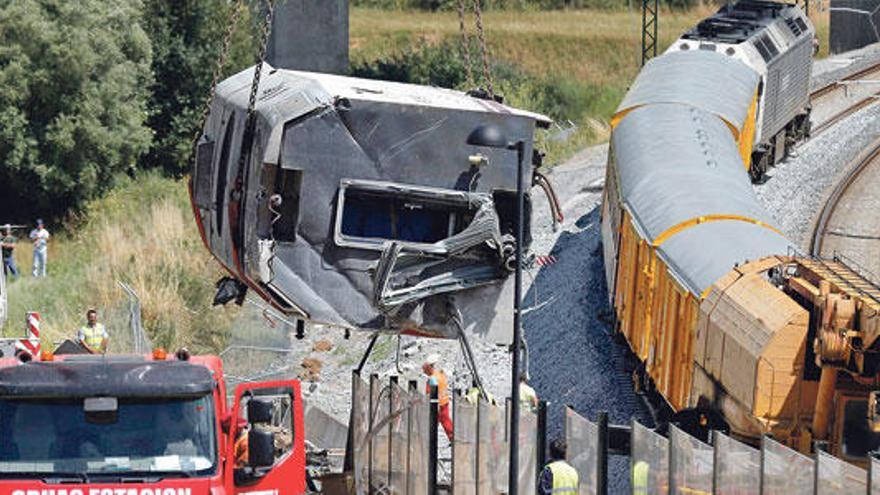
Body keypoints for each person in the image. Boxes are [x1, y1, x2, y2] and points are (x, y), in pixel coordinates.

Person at [422, 353, 453, 441]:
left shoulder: (433, 379)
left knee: (438, 422)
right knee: (444, 421)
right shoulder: (440, 375)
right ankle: (451, 437)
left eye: (425, 369)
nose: (424, 372)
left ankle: (432, 440)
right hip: (444, 401)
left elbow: (430, 393)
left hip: (437, 405)